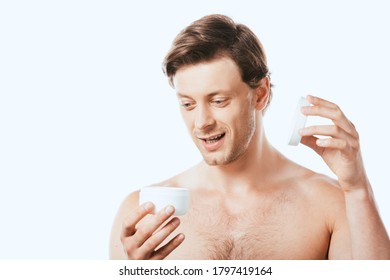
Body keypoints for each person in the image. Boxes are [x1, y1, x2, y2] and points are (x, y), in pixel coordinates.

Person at [109, 14, 390, 260]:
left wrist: (357, 188)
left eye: (218, 100)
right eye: (188, 104)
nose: (201, 122)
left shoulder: (327, 203)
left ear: (260, 94)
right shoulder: (142, 214)